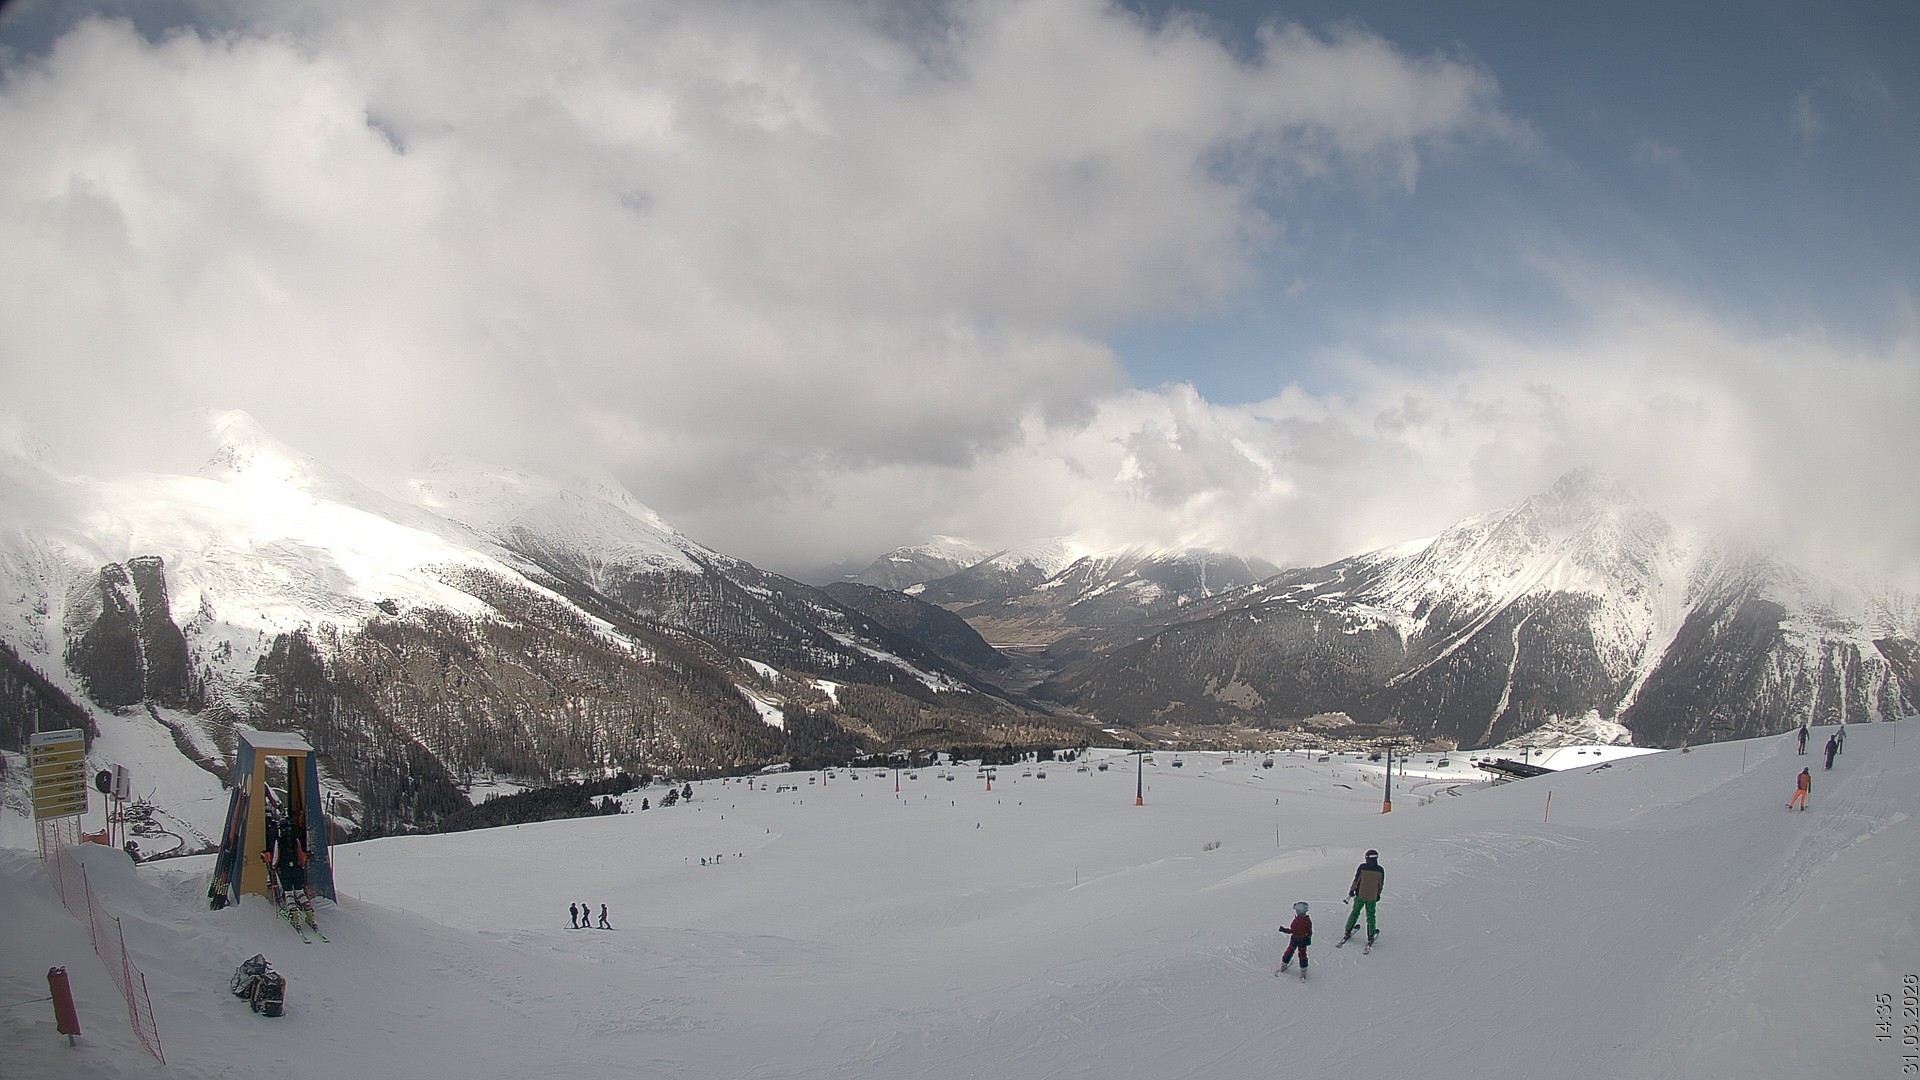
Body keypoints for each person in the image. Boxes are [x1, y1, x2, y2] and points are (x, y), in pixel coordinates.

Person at [1343, 850, 1385, 945]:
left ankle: (1347, 930)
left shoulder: (1362, 867)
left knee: (1355, 912)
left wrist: (1352, 890)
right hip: (1372, 897)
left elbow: (1356, 880)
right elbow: (1380, 884)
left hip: (1360, 895)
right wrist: (1378, 894)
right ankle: (1371, 935)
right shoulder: (1380, 870)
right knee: (1371, 915)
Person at [1278, 901, 1312, 976]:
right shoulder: (1307, 920)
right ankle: (1303, 969)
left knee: (1289, 952)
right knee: (1302, 954)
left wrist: (1283, 930)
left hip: (1295, 940)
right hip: (1303, 940)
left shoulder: (1298, 921)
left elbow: (1292, 931)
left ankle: (1284, 964)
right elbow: (1309, 931)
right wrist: (1309, 938)